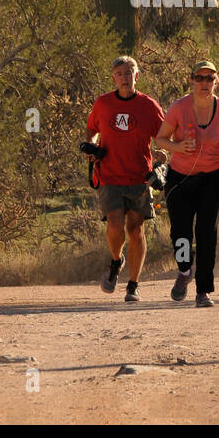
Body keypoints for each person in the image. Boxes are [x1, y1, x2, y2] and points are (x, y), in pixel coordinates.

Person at [152, 61, 219, 307]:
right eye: (199, 78)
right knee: (180, 234)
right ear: (191, 80)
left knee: (206, 233)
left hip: (213, 177)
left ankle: (203, 291)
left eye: (209, 78)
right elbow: (161, 139)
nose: (204, 83)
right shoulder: (180, 107)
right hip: (180, 178)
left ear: (216, 81)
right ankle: (184, 271)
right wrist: (177, 147)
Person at [85, 56, 166, 302]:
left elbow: (164, 135)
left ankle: (133, 284)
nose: (124, 77)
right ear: (114, 78)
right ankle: (116, 260)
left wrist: (163, 152)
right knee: (114, 225)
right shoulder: (103, 103)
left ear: (137, 76)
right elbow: (92, 129)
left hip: (140, 176)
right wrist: (91, 144)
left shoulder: (148, 106)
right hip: (109, 174)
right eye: (119, 73)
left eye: (129, 73)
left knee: (136, 228)